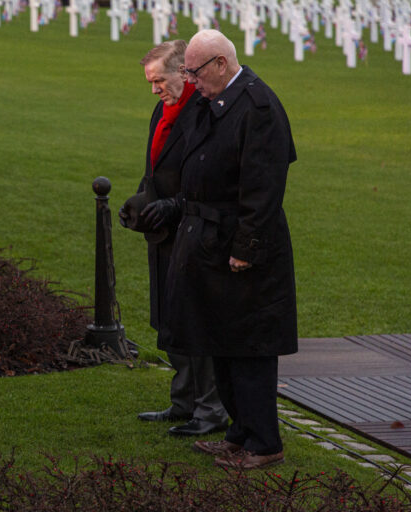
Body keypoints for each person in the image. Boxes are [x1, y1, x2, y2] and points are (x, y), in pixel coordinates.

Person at [160, 29, 298, 470]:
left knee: (249, 345)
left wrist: (247, 248)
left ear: (221, 63)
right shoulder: (214, 99)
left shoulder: (258, 107)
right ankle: (238, 433)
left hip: (243, 249)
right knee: (220, 339)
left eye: (195, 72)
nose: (192, 81)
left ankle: (264, 442)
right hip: (209, 240)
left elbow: (263, 189)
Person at [119, 40, 228, 437]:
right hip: (164, 230)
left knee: (196, 322)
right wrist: (140, 201)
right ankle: (183, 402)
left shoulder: (204, 114)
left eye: (159, 80)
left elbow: (210, 180)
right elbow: (156, 166)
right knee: (170, 321)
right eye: (150, 82)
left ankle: (210, 409)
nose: (154, 89)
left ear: (185, 73)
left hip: (194, 230)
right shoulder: (163, 109)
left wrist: (172, 205)